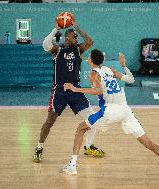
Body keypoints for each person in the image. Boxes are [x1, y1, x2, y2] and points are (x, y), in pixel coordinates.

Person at [62, 49, 159, 177]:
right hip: (125, 110)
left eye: (89, 56)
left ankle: (72, 166)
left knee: (80, 129)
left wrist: (75, 89)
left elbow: (99, 91)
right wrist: (124, 65)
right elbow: (131, 80)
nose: (87, 57)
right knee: (148, 143)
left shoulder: (93, 74)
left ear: (91, 60)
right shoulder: (108, 69)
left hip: (110, 110)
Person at [33, 18, 105, 163]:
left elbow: (90, 42)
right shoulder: (58, 50)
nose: (77, 38)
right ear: (67, 37)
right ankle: (39, 147)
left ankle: (89, 146)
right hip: (59, 91)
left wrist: (77, 27)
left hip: (75, 91)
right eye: (74, 36)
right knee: (50, 121)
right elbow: (45, 44)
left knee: (94, 119)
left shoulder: (78, 49)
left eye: (77, 37)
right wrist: (55, 29)